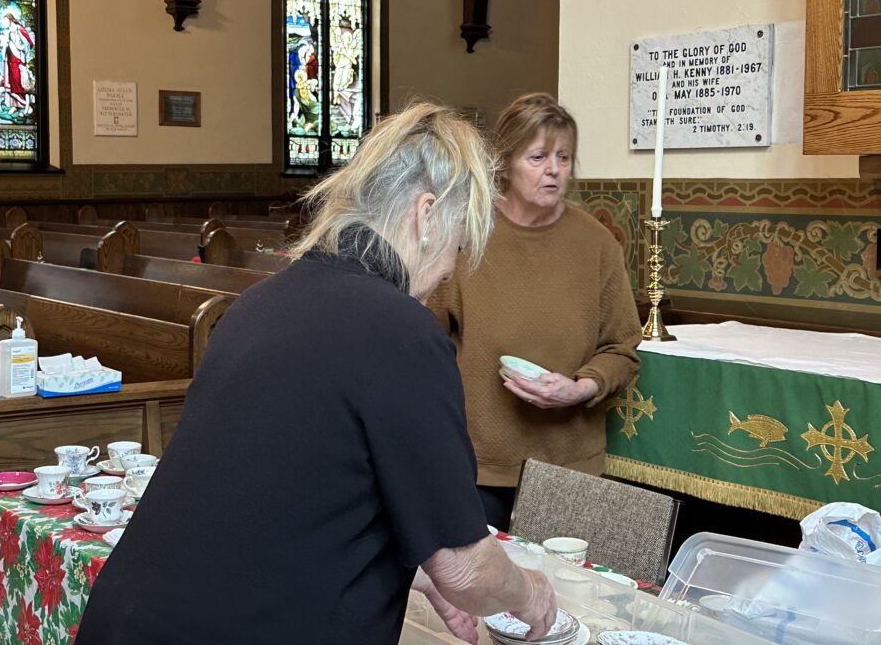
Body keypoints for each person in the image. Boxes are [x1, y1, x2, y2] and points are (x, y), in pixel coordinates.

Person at [76, 103, 557, 645]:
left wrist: (417, 568)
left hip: (133, 619)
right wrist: (529, 593)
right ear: (426, 217)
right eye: (459, 244)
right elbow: (467, 568)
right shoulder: (402, 331)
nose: (449, 271)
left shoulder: (261, 302)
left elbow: (290, 498)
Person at [428, 93, 641, 531]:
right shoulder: (467, 233)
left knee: (562, 593)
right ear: (505, 163)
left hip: (568, 462)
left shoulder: (596, 243)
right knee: (479, 595)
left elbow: (622, 348)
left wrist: (582, 387)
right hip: (477, 461)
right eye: (539, 156)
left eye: (564, 157)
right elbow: (425, 342)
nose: (554, 170)